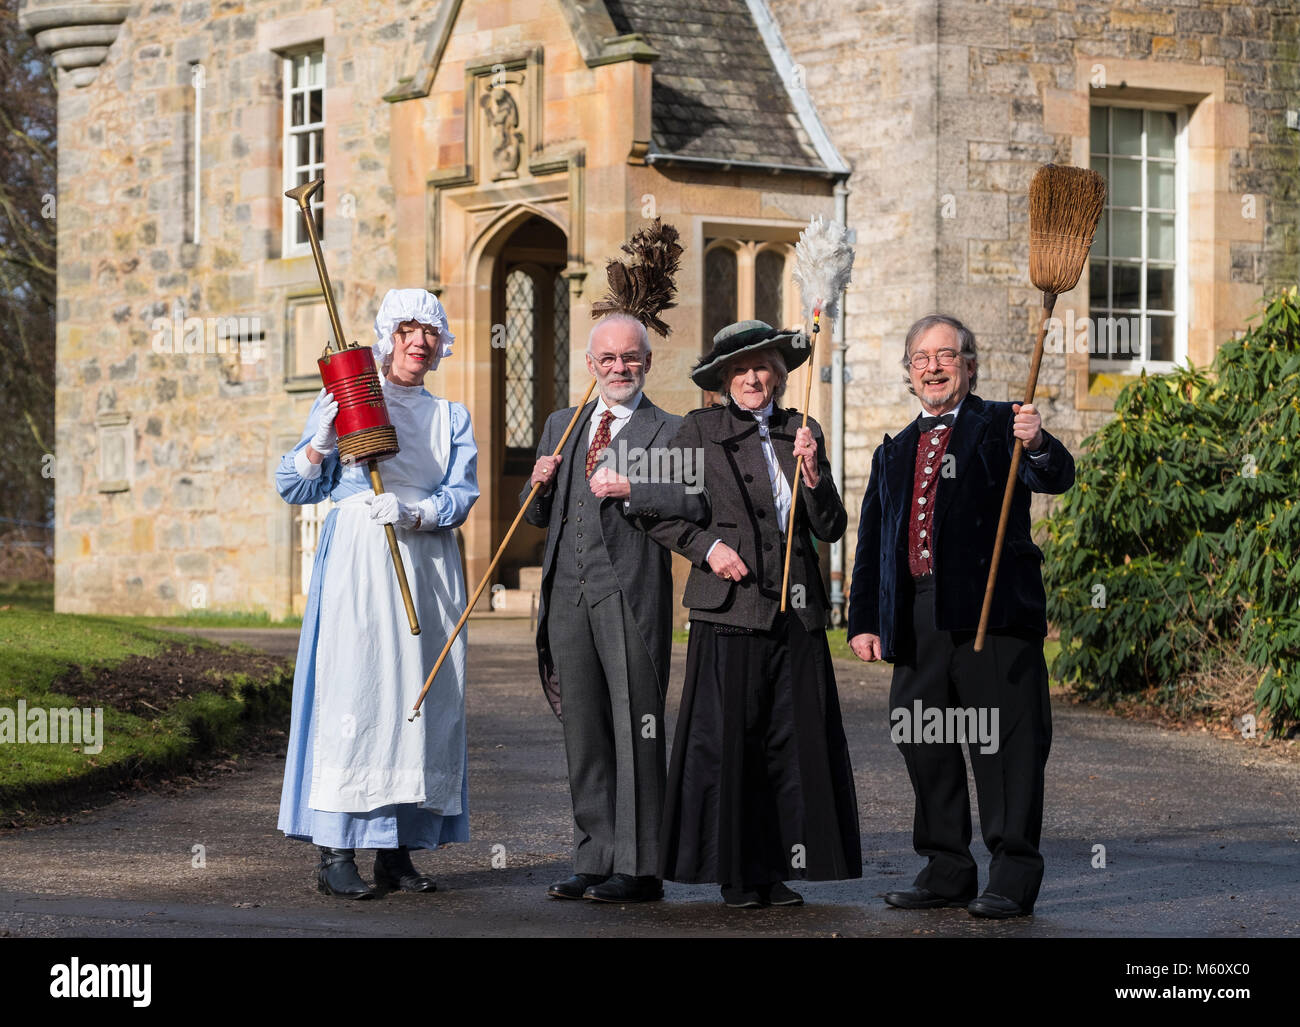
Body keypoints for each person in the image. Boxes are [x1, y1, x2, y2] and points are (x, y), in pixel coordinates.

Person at [847, 313, 1074, 919]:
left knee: (1004, 748)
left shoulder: (1003, 423)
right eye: (921, 358)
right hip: (917, 619)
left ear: (969, 366)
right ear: (908, 374)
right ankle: (947, 868)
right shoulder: (892, 452)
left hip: (992, 615)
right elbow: (873, 545)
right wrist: (865, 620)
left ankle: (1012, 876)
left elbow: (1055, 476)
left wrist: (1042, 441)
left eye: (946, 355)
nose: (934, 366)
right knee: (925, 742)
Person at [650, 320, 861, 908]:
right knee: (730, 742)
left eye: (762, 366)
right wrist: (708, 549)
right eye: (739, 369)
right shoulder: (697, 430)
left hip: (797, 613)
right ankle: (736, 873)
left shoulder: (803, 428)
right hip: (729, 612)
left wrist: (814, 476)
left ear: (779, 372)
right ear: (721, 379)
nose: (752, 377)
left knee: (789, 743)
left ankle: (778, 867)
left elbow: (832, 526)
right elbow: (654, 509)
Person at [275, 288, 479, 898]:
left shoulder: (451, 418)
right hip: (360, 564)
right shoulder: (349, 398)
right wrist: (323, 439)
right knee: (357, 692)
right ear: (388, 338)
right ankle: (335, 851)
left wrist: (416, 512)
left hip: (427, 564)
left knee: (418, 700)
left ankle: (398, 850)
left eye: (430, 335)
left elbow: (462, 496)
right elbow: (294, 487)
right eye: (407, 332)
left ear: (441, 345)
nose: (419, 343)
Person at [524, 312, 709, 904]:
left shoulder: (670, 428)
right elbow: (536, 519)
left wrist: (634, 488)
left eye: (630, 358)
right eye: (608, 359)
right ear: (590, 366)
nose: (619, 368)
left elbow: (697, 498)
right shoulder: (563, 421)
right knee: (584, 728)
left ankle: (641, 866)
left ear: (648, 363)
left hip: (628, 591)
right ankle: (594, 857)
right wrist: (541, 483)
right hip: (566, 595)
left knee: (638, 725)